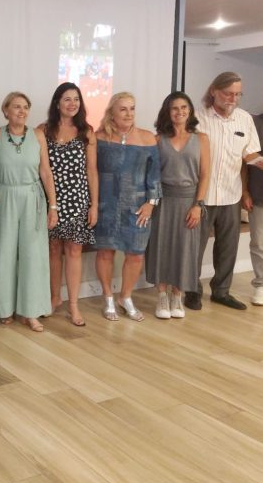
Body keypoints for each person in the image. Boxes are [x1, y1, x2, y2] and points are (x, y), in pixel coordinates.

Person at [184, 72, 263, 311]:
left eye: (237, 94)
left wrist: (260, 163)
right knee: (195, 248)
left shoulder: (244, 119)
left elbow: (249, 155)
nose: (233, 99)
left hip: (231, 195)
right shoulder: (197, 118)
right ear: (214, 91)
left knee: (227, 248)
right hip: (202, 197)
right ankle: (192, 291)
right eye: (228, 93)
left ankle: (221, 291)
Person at [0, 92, 58, 332]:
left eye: (25, 107)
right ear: (5, 110)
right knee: (3, 252)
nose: (22, 111)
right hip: (3, 197)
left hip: (32, 197)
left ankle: (31, 311)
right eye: (16, 106)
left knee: (33, 255)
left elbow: (45, 172)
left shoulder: (37, 135)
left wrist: (53, 206)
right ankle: (4, 309)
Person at [95, 92, 161, 321]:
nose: (128, 113)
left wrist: (151, 203)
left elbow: (155, 176)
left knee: (136, 254)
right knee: (105, 252)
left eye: (132, 108)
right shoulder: (98, 138)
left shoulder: (147, 138)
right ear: (112, 112)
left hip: (137, 207)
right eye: (123, 109)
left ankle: (125, 297)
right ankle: (108, 298)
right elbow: (91, 173)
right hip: (106, 205)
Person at [145, 92, 210, 319]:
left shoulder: (201, 139)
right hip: (163, 200)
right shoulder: (157, 140)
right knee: (161, 246)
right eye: (174, 108)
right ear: (167, 111)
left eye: (184, 107)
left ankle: (177, 296)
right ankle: (162, 296)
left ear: (190, 110)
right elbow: (151, 175)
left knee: (185, 249)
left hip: (189, 202)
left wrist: (198, 205)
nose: (179, 112)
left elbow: (205, 175)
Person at [38, 82, 97, 327]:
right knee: (53, 249)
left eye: (76, 99)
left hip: (78, 199)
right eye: (67, 99)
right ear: (57, 103)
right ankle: (55, 298)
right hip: (51, 199)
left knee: (74, 251)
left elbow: (92, 171)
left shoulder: (86, 131)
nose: (72, 104)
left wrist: (94, 205)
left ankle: (73, 304)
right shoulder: (43, 130)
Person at [243, 111, 263, 305]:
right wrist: (245, 191)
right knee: (259, 242)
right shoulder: (254, 123)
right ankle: (261, 284)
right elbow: (244, 158)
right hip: (258, 194)